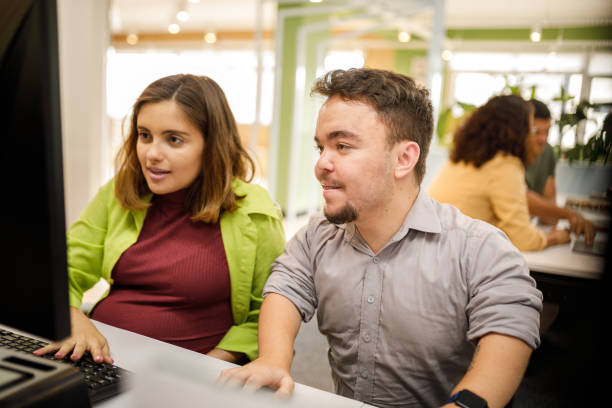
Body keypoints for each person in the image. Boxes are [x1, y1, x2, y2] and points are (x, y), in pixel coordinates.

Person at [218, 68, 543, 408]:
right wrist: (273, 359)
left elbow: (511, 326)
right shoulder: (317, 236)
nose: (320, 165)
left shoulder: (478, 248)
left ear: (404, 158)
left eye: (342, 146)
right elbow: (284, 289)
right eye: (321, 147)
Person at [34, 74, 285, 365]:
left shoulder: (254, 211)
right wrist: (73, 317)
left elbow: (265, 317)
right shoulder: (118, 193)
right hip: (99, 358)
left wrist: (210, 370)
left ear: (211, 145)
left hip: (187, 375)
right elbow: (64, 271)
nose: (151, 154)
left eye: (174, 139)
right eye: (144, 135)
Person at [428, 95, 570, 252]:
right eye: (531, 129)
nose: (534, 136)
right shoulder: (504, 165)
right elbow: (524, 240)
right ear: (517, 130)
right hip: (451, 257)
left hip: (435, 251)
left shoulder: (469, 157)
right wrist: (555, 237)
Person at [525, 99, 595, 245]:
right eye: (536, 132)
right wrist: (569, 214)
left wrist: (562, 216)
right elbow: (521, 197)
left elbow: (550, 218)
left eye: (547, 131)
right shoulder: (508, 155)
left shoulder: (547, 152)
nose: (543, 139)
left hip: (527, 232)